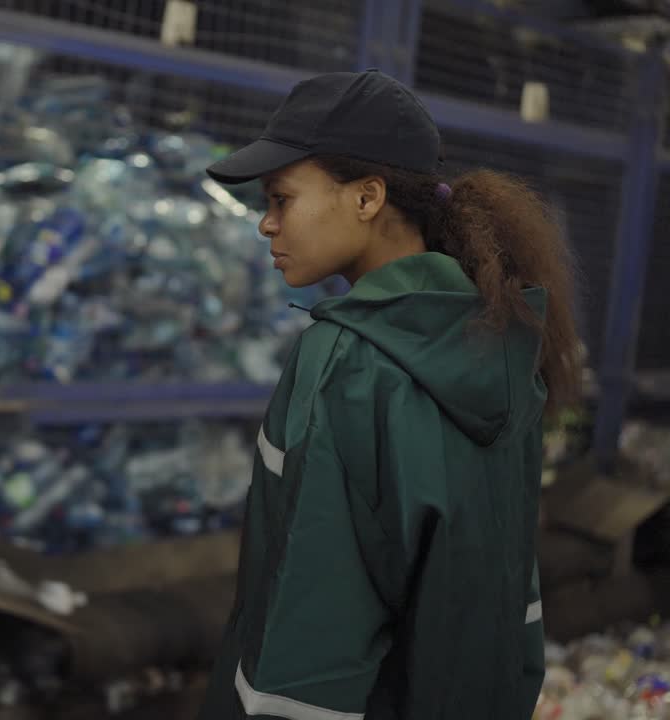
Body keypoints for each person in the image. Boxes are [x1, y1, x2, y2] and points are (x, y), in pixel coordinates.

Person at [195, 69, 581, 720]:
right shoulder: (503, 348)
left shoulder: (346, 362)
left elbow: (309, 627)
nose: (266, 224)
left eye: (281, 199)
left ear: (368, 198)